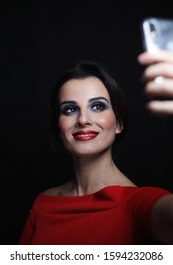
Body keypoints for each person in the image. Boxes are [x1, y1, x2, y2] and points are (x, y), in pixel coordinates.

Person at [18, 58, 173, 245]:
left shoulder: (138, 204)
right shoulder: (43, 204)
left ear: (118, 123)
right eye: (70, 109)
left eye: (98, 106)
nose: (83, 119)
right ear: (59, 129)